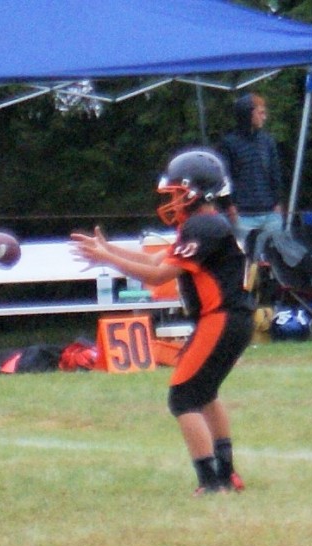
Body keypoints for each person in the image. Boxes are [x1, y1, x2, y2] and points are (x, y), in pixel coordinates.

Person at [70, 148, 253, 495]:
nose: (173, 201)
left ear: (198, 192)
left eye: (177, 193)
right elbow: (156, 259)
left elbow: (157, 276)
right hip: (230, 318)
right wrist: (109, 249)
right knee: (205, 392)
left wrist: (105, 257)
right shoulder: (207, 225)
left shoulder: (204, 225)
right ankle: (227, 474)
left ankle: (211, 482)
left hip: (221, 318)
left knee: (183, 398)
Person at [219, 93, 283, 261]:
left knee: (277, 261)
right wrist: (230, 207)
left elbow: (275, 173)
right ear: (248, 114)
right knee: (247, 262)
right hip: (243, 214)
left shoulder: (267, 141)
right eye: (260, 112)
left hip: (270, 212)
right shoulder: (229, 143)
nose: (264, 117)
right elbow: (223, 179)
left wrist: (277, 202)